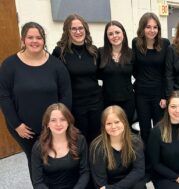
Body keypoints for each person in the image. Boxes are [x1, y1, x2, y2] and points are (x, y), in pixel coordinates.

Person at [0, 22, 72, 180]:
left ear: (44, 40)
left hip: (53, 127)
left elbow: (66, 95)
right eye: (30, 37)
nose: (35, 41)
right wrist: (16, 124)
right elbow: (3, 96)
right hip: (25, 130)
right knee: (36, 163)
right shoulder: (9, 65)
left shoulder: (56, 65)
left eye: (38, 37)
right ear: (23, 39)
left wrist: (60, 122)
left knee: (53, 161)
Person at [52, 14, 103, 145]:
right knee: (79, 140)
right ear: (67, 31)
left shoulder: (93, 51)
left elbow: (99, 75)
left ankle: (95, 165)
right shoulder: (60, 52)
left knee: (97, 138)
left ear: (86, 30)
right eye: (73, 29)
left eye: (81, 28)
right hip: (75, 104)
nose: (78, 31)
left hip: (96, 103)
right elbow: (55, 80)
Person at [148, 90, 179, 189]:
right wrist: (178, 178)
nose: (177, 110)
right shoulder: (156, 131)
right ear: (167, 108)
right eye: (173, 106)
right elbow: (155, 164)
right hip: (164, 176)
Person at [132, 12, 170, 146]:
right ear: (142, 28)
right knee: (145, 129)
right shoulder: (136, 43)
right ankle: (147, 162)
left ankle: (158, 159)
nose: (152, 30)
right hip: (141, 93)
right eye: (148, 27)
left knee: (160, 129)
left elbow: (167, 72)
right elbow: (135, 68)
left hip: (159, 94)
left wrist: (166, 96)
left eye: (155, 27)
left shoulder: (165, 44)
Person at [31, 103, 89, 188]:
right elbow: (38, 182)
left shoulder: (80, 140)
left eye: (63, 119)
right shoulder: (38, 147)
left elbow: (85, 172)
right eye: (53, 120)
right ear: (47, 124)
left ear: (68, 122)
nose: (58, 124)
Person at [89, 105, 146, 189]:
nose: (113, 127)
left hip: (129, 183)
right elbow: (100, 182)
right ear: (103, 126)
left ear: (124, 122)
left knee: (140, 186)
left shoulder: (135, 141)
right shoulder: (97, 147)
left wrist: (115, 188)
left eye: (117, 122)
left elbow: (139, 171)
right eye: (108, 123)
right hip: (108, 185)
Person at [98, 21, 135, 125]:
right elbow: (96, 74)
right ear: (107, 37)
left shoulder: (131, 53)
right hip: (107, 101)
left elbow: (138, 74)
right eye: (110, 34)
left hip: (128, 101)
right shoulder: (100, 53)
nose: (114, 36)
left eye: (117, 32)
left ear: (123, 33)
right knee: (111, 130)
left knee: (126, 130)